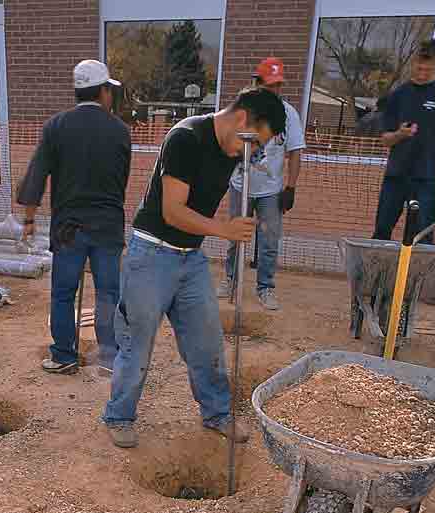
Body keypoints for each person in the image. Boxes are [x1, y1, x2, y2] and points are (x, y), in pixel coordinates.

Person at [102, 87, 286, 449]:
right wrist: (225, 230)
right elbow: (173, 211)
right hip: (151, 256)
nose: (249, 153)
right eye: (252, 142)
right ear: (242, 119)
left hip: (191, 259)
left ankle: (217, 413)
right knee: (137, 345)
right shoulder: (185, 138)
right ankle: (118, 415)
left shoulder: (233, 147)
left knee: (207, 342)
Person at [17, 59, 131, 374]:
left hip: (69, 228)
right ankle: (110, 358)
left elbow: (36, 175)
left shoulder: (56, 126)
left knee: (64, 293)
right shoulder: (120, 131)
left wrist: (29, 219)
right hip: (107, 227)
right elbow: (121, 180)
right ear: (104, 91)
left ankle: (64, 356)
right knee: (109, 292)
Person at [220, 58, 305, 312]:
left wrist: (291, 187)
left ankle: (265, 287)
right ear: (257, 83)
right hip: (240, 185)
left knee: (269, 240)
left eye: (279, 85)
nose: (275, 90)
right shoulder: (242, 111)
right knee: (235, 236)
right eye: (270, 85)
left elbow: (296, 151)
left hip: (271, 189)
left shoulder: (288, 113)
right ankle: (230, 280)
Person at [373, 39, 435, 246]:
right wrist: (400, 135)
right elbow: (385, 139)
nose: (422, 72)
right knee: (382, 229)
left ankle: (419, 279)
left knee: (424, 235)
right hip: (395, 176)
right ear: (413, 62)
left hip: (426, 177)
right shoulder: (398, 95)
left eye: (428, 69)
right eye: (419, 66)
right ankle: (376, 277)